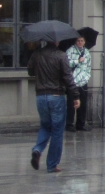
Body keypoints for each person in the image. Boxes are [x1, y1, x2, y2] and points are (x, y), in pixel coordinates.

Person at [26, 41, 80, 173]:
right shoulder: (61, 55)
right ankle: (52, 164)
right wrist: (75, 95)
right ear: (57, 41)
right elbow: (68, 77)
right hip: (56, 95)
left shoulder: (36, 54)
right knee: (57, 130)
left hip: (40, 96)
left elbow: (30, 71)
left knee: (45, 126)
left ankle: (37, 150)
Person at [65, 35, 92, 131]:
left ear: (84, 42)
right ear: (75, 42)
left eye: (82, 41)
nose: (80, 42)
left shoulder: (87, 52)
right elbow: (66, 64)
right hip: (72, 81)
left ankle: (81, 123)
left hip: (83, 81)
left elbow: (88, 66)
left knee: (83, 104)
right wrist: (77, 61)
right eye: (78, 41)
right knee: (71, 103)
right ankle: (69, 124)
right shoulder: (70, 51)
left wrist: (87, 77)